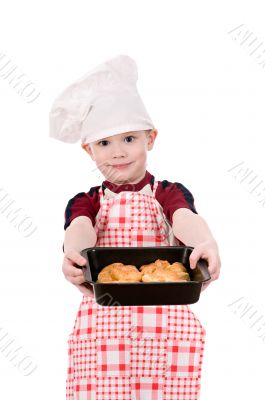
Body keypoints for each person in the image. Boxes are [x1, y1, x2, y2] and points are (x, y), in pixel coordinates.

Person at [49, 54, 221, 399]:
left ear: (150, 139)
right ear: (88, 151)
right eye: (104, 143)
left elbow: (184, 219)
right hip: (105, 332)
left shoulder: (167, 193)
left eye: (129, 139)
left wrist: (207, 242)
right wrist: (74, 254)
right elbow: (80, 228)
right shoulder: (87, 200)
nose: (118, 152)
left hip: (165, 328)